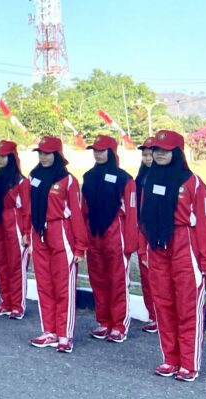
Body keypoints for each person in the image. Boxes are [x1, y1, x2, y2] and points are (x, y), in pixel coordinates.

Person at [138, 130, 206, 382]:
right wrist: (143, 248)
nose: (159, 154)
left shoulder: (193, 183)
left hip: (185, 245)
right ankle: (170, 359)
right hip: (157, 246)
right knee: (164, 303)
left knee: (187, 306)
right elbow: (143, 218)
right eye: (156, 150)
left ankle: (188, 364)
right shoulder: (148, 181)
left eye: (165, 150)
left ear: (177, 152)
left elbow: (204, 223)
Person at [27, 136, 88, 353]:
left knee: (63, 286)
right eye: (40, 153)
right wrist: (28, 232)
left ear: (58, 155)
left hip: (61, 232)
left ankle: (64, 334)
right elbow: (29, 208)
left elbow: (77, 215)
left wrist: (80, 246)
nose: (43, 157)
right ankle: (49, 331)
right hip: (38, 233)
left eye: (47, 153)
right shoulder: (33, 176)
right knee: (44, 284)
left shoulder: (68, 180)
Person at [82, 134, 138, 343]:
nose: (97, 154)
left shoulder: (125, 179)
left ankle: (119, 325)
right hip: (94, 234)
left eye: (101, 150)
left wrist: (131, 243)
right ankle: (104, 321)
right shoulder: (88, 176)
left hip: (116, 234)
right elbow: (83, 209)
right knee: (98, 279)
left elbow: (131, 213)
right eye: (94, 150)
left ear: (112, 152)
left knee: (117, 280)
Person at [0, 140, 31, 320]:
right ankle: (5, 302)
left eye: (4, 156)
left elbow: (27, 209)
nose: (0, 159)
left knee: (15, 265)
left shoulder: (21, 181)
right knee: (1, 263)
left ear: (12, 157)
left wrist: (26, 232)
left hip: (14, 223)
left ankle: (17, 305)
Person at [135, 137, 158, 334]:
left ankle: (163, 318)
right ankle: (153, 316)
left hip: (157, 231)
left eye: (151, 154)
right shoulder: (140, 178)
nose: (148, 158)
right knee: (146, 275)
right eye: (144, 154)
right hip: (141, 230)